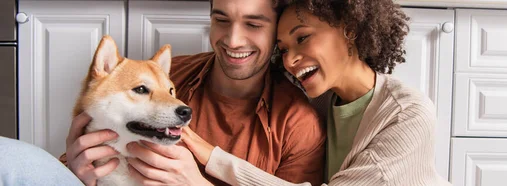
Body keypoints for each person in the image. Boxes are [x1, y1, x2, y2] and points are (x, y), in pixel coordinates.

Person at [180, 0, 453, 185]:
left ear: (350, 30)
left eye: (302, 38)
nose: (289, 60)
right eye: (283, 48)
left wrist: (211, 157)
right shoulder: (317, 97)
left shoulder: (407, 114)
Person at [60, 0, 326, 185]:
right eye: (221, 20)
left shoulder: (298, 126)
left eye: (253, 25)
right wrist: (73, 171)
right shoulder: (165, 75)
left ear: (277, 32)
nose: (233, 40)